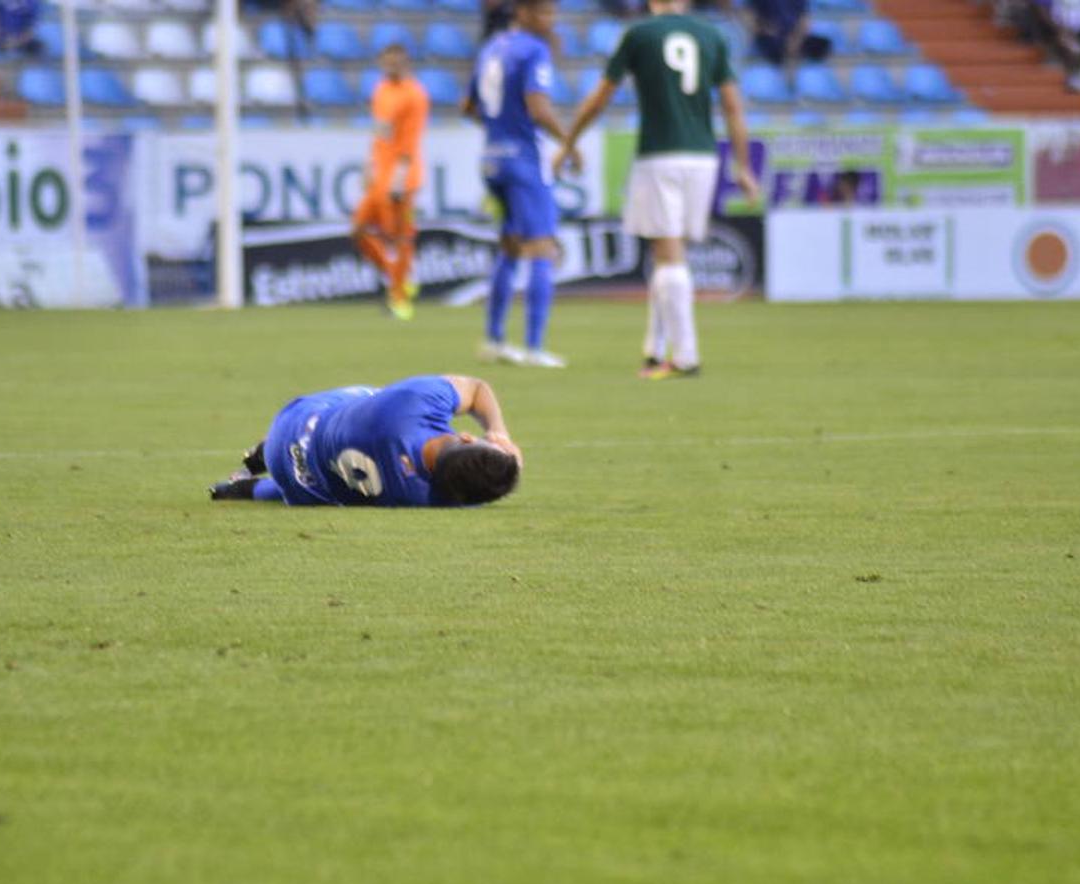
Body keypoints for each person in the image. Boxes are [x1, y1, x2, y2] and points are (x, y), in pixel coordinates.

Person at [554, 0, 760, 379]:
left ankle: (685, 356)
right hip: (703, 156)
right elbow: (732, 107)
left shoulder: (639, 34)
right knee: (667, 251)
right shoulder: (712, 34)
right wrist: (743, 167)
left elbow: (601, 97)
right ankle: (654, 349)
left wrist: (569, 141)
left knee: (668, 255)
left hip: (660, 154)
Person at [208, 375, 523, 508]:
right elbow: (476, 491)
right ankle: (243, 489)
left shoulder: (411, 404)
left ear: (467, 437)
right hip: (302, 485)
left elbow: (478, 388)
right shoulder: (424, 497)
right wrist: (502, 469)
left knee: (370, 396)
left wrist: (499, 431)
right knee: (329, 485)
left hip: (291, 427)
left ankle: (261, 453)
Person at [465, 0, 578, 368]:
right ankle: (534, 347)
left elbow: (469, 106)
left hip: (492, 158)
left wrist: (500, 131)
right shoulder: (534, 49)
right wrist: (569, 142)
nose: (551, 20)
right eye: (545, 13)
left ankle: (495, 340)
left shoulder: (491, 47)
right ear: (524, 13)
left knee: (510, 246)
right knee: (542, 247)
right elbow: (539, 108)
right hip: (525, 161)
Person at [351, 43, 429, 321]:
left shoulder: (415, 95)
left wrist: (399, 180)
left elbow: (410, 140)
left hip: (401, 177)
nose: (392, 65)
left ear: (406, 62)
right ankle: (399, 276)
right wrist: (368, 166)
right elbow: (379, 134)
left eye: (397, 61)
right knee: (358, 228)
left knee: (400, 238)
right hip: (379, 175)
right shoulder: (381, 90)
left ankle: (400, 302)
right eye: (388, 61)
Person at [747, 0, 831, 68]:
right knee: (771, 46)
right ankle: (785, 59)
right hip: (773, 36)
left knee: (823, 44)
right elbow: (753, 17)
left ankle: (791, 55)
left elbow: (804, 18)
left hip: (795, 35)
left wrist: (796, 40)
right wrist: (769, 30)